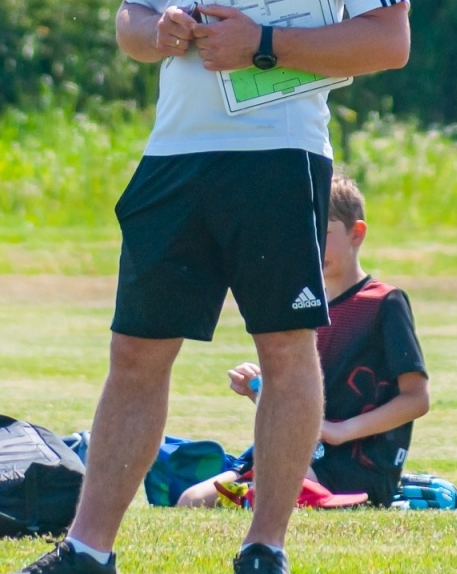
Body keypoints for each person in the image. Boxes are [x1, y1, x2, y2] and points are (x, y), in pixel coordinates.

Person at [0, 0, 411, 574]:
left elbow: (388, 40)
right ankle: (91, 550)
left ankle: (264, 549)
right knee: (135, 355)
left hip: (276, 155)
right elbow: (129, 23)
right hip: (176, 156)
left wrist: (264, 44)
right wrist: (165, 30)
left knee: (287, 352)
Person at [176, 171, 430, 508]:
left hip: (354, 467)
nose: (311, 247)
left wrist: (340, 430)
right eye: (302, 235)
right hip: (298, 454)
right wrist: (260, 389)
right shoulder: (302, 308)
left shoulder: (384, 303)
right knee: (191, 500)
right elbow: (302, 396)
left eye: (322, 234)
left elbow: (416, 399)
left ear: (357, 233)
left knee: (271, 498)